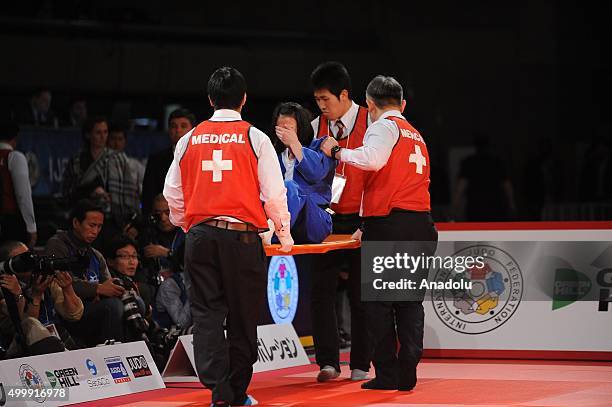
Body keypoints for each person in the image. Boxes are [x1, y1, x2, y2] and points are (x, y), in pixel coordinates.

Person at [164, 66, 293, 407]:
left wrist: (187, 224)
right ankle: (234, 391)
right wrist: (283, 234)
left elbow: (172, 193)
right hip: (242, 239)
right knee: (243, 315)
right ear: (244, 99)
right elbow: (274, 194)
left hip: (200, 237)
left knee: (206, 314)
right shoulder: (255, 137)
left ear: (210, 100)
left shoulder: (189, 138)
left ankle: (220, 392)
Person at [321, 75, 438, 392]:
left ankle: (388, 374)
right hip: (420, 224)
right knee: (410, 302)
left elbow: (372, 160)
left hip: (390, 225)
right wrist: (364, 224)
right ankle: (408, 368)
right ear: (403, 104)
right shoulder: (415, 134)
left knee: (378, 305)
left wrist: (337, 152)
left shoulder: (383, 127)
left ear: (370, 104)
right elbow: (393, 180)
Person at [309, 61, 371, 382]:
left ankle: (361, 362)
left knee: (361, 294)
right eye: (317, 100)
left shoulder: (370, 122)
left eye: (326, 100)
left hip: (362, 219)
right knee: (321, 292)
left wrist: (369, 220)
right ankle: (327, 363)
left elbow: (379, 174)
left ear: (344, 94)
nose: (321, 107)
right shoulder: (317, 124)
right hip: (327, 221)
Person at [45, 199, 127, 346]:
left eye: (99, 226)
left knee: (133, 303)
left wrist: (121, 288)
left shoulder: (96, 255)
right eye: (91, 225)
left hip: (93, 308)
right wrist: (98, 289)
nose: (95, 231)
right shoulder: (57, 244)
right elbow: (62, 281)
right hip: (67, 311)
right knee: (112, 306)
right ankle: (112, 355)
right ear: (76, 223)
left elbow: (108, 285)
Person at [62, 116, 141, 241]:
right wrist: (91, 191)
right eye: (98, 132)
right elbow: (68, 191)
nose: (103, 136)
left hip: (112, 221)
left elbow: (128, 194)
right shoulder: (77, 160)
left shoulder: (118, 158)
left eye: (105, 132)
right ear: (88, 135)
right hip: (84, 219)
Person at [269, 102, 334, 243]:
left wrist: (295, 144)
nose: (283, 134)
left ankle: (273, 235)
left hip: (315, 219)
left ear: (301, 127)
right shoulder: (275, 155)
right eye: (280, 129)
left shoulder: (323, 146)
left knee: (290, 187)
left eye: (289, 129)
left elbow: (316, 173)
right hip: (284, 220)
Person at [142, 108, 195, 215]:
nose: (178, 130)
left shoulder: (203, 158)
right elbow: (148, 195)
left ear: (193, 130)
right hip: (164, 220)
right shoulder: (156, 160)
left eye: (183, 126)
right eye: (173, 126)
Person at [0, 121, 37, 247]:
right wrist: (31, 227)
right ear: (15, 139)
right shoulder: (14, 157)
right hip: (9, 223)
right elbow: (23, 195)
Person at [108, 123, 145, 196]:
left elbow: (147, 184)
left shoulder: (135, 165)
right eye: (113, 138)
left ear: (125, 142)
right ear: (107, 140)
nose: (116, 143)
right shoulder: (104, 164)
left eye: (120, 139)